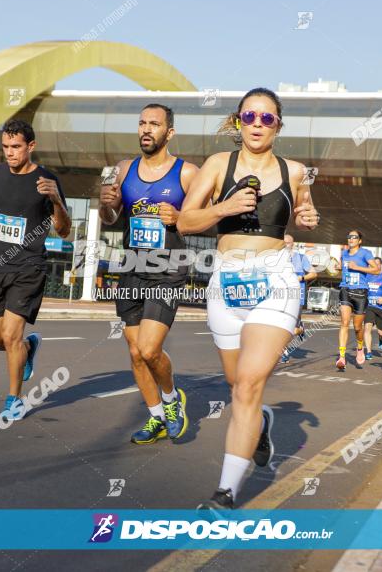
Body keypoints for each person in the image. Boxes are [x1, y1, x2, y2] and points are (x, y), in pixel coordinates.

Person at [177, 87, 319, 510]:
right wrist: (224, 208)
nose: (258, 124)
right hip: (225, 281)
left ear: (278, 125)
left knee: (248, 387)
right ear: (239, 121)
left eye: (267, 118)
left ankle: (225, 494)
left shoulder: (295, 171)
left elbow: (306, 212)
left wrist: (310, 217)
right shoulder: (219, 165)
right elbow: (186, 219)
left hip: (275, 280)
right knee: (238, 384)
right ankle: (262, 424)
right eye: (250, 117)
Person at [0, 119, 71, 419]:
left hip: (28, 268)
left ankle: (14, 399)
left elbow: (64, 229)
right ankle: (28, 349)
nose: (10, 152)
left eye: (16, 147)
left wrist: (56, 199)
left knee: (10, 336)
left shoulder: (47, 179)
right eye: (6, 147)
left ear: (30, 146)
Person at [98, 104, 198, 444]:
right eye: (142, 123)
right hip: (132, 267)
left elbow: (209, 219)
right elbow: (111, 220)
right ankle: (156, 417)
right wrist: (106, 204)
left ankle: (172, 401)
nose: (146, 129)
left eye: (154, 124)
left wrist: (180, 218)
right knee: (135, 351)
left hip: (168, 268)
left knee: (150, 348)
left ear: (169, 133)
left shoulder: (187, 174)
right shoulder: (124, 170)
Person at [333, 230, 380, 370]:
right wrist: (340, 267)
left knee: (358, 327)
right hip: (346, 290)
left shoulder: (365, 253)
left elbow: (376, 270)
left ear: (359, 241)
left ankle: (360, 347)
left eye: (354, 237)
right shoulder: (344, 253)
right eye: (349, 236)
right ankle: (342, 357)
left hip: (360, 292)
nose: (351, 239)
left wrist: (357, 267)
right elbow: (346, 268)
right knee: (344, 323)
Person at [281, 234, 316, 363]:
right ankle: (284, 352)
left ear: (293, 244)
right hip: (280, 297)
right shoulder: (275, 259)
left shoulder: (301, 258)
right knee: (282, 324)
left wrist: (300, 278)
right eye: (282, 243)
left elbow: (313, 273)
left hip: (297, 297)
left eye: (287, 243)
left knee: (292, 327)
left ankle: (301, 329)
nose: (284, 245)